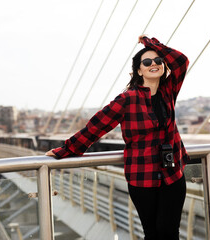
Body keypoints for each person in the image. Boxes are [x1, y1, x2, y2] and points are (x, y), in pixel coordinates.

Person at [46, 35, 189, 240]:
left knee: (169, 231)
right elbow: (97, 126)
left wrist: (152, 44)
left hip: (173, 174)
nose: (153, 64)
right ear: (139, 70)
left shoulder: (169, 91)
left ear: (164, 66)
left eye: (158, 61)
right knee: (153, 233)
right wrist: (68, 149)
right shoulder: (128, 99)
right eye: (147, 62)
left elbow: (181, 61)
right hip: (143, 177)